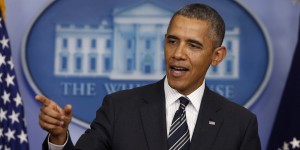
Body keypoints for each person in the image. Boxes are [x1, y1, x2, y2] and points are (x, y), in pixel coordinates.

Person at [37, 3, 261, 150]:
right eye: (172, 41)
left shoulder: (240, 124)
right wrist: (59, 138)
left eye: (193, 45)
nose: (178, 53)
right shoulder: (118, 108)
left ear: (217, 56)